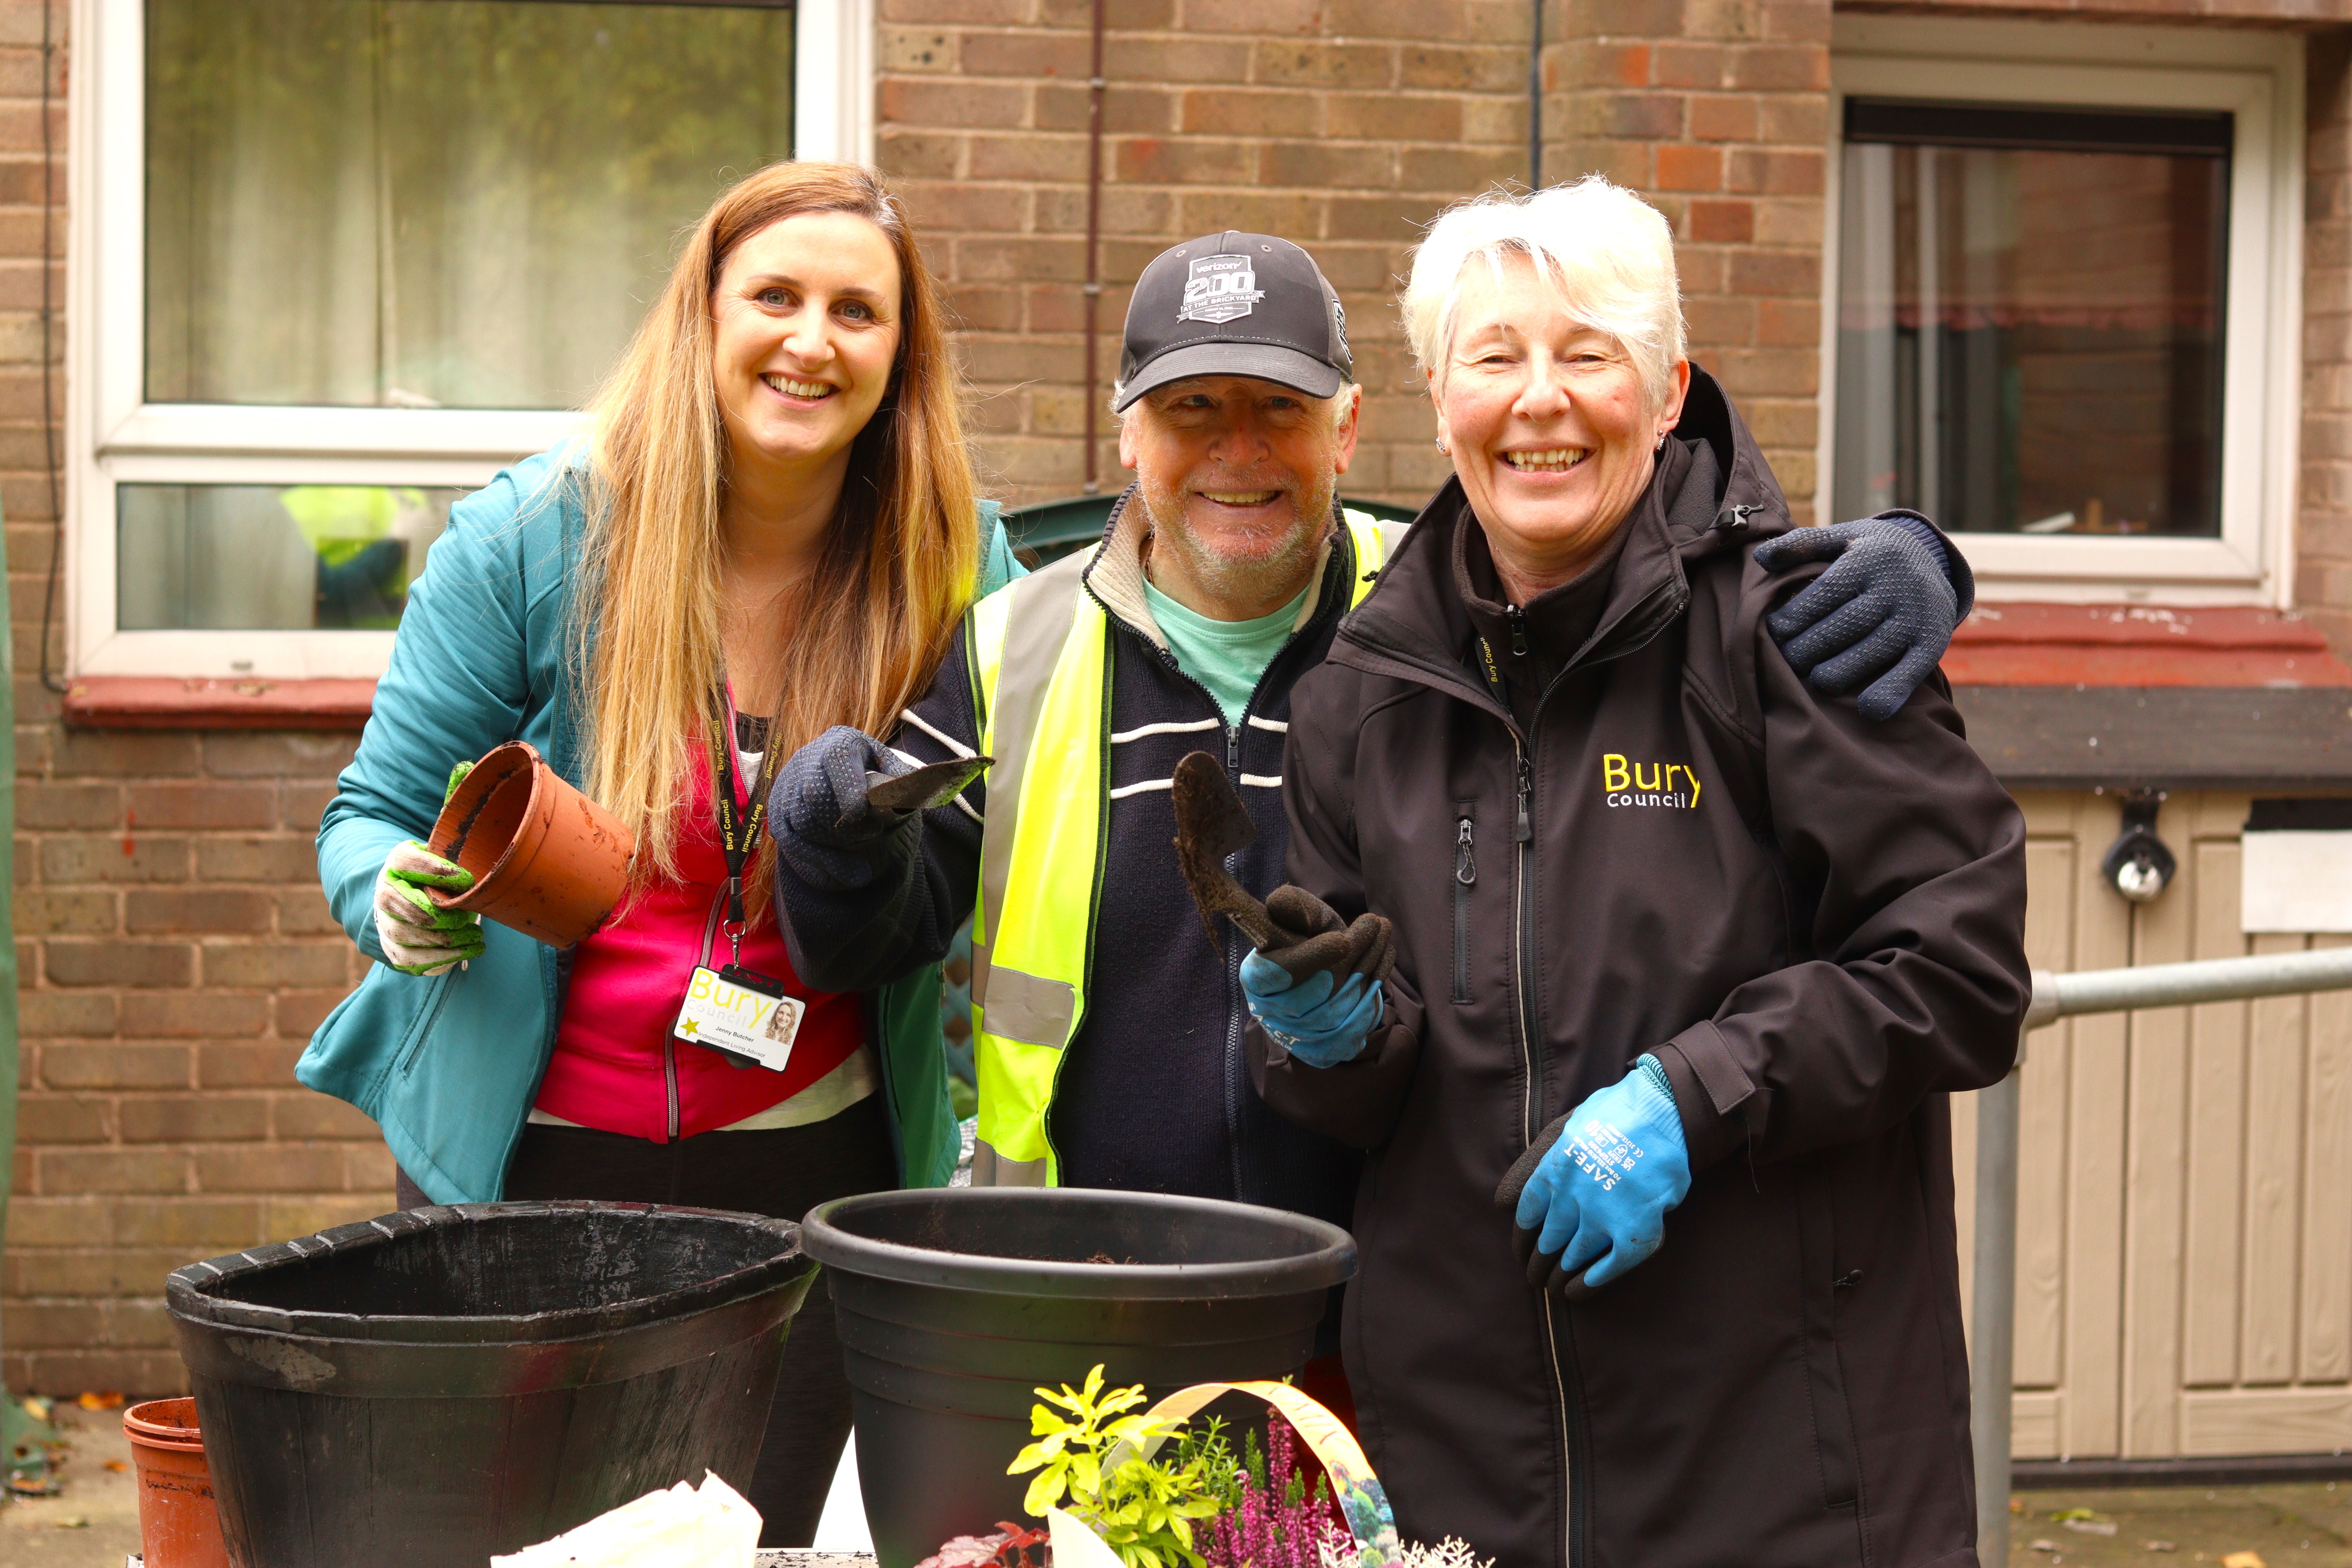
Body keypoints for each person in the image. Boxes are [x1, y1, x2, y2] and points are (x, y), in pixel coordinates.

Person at [767, 229, 1973, 1413]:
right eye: (1193, 410)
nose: (1239, 452)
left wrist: (1904, 556)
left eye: (1279, 410)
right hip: (1085, 1311)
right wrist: (831, 843)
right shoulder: (1011, 647)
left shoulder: (1448, 611)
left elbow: (1647, 571)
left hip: (1399, 1326)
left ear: (1348, 426)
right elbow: (879, 937)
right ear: (1127, 431)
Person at [1242, 177, 2031, 1567]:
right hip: (1463, 1478)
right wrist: (1328, 1038)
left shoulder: (1802, 637)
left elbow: (1959, 969)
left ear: (1669, 391)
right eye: (1494, 357)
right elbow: (1367, 1103)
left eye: (1588, 352)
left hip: (1780, 1468)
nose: (1538, 400)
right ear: (1439, 394)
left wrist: (1696, 1091)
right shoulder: (1359, 697)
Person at [296, 162, 1020, 1544]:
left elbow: (984, 863)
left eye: (857, 313)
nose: (812, 340)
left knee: (778, 1534)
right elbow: (367, 816)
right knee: (524, 1538)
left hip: (821, 1167)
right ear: (703, 316)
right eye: (777, 296)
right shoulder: (536, 537)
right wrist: (393, 899)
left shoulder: (952, 563)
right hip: (537, 1167)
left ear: (898, 358)